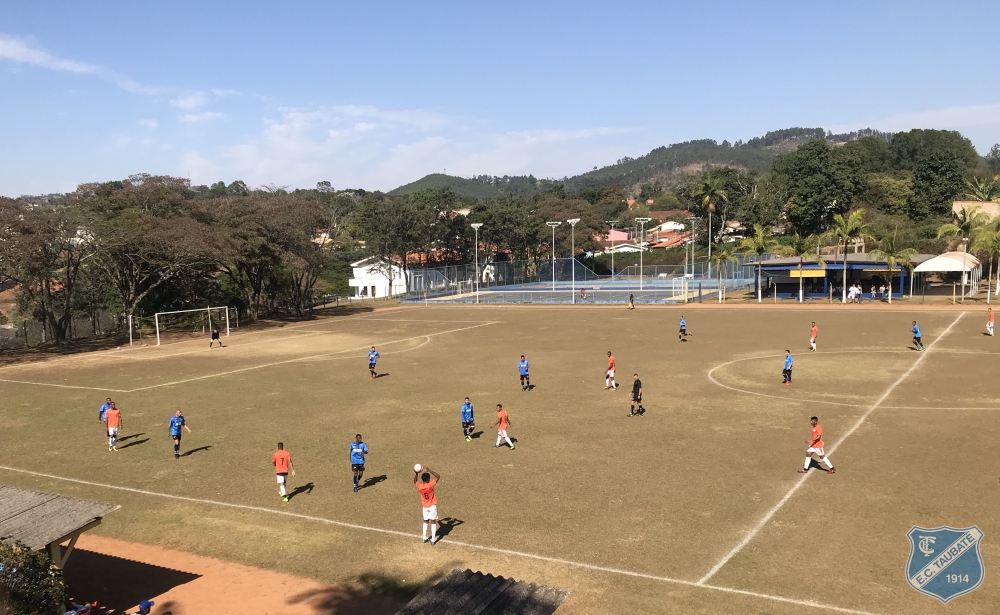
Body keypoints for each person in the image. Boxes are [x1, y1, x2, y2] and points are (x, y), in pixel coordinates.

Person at [413, 464, 441, 544]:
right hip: (432, 506)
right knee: (433, 522)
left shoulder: (420, 486)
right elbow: (438, 476)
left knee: (425, 521)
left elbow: (415, 481)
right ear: (428, 479)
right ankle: (432, 539)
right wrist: (429, 470)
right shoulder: (430, 485)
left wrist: (416, 473)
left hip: (425, 507)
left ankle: (424, 538)